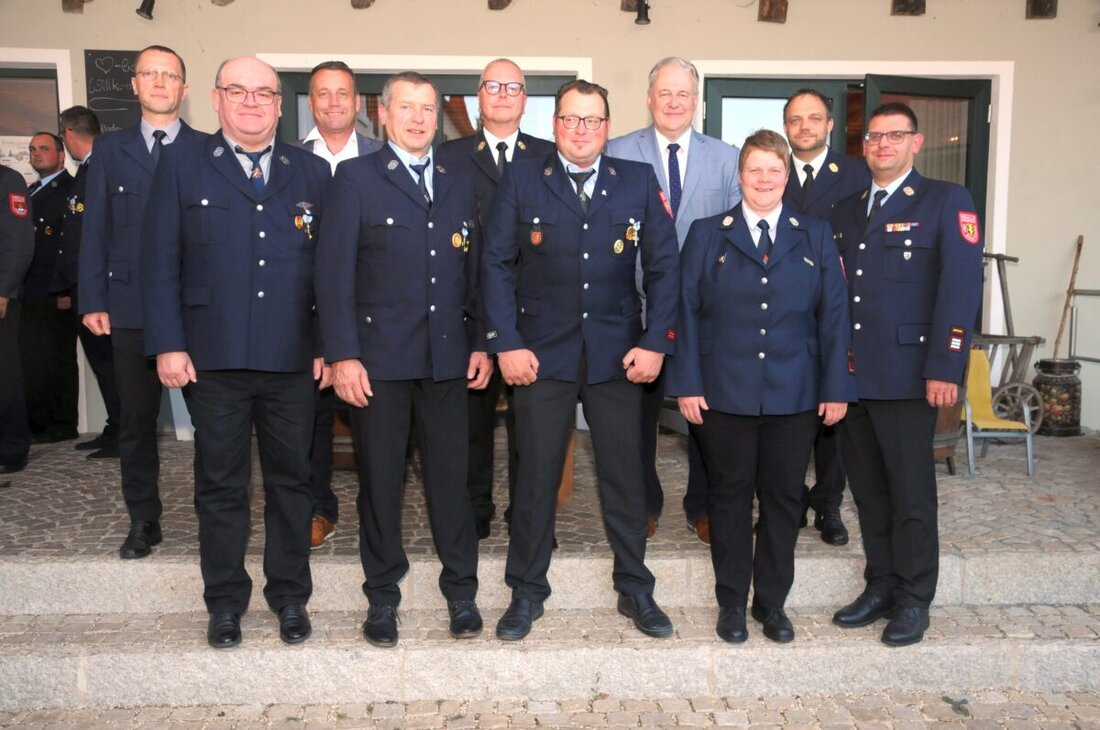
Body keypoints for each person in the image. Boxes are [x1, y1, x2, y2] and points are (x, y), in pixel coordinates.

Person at [142, 56, 331, 649]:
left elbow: (330, 271)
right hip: (212, 357)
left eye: (263, 94)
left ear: (280, 104)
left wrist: (329, 345)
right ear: (218, 100)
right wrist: (168, 343)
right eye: (238, 91)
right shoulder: (179, 164)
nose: (251, 103)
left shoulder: (311, 172)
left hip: (292, 358)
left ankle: (290, 597)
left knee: (291, 482)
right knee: (220, 485)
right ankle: (225, 602)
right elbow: (157, 263)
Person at [482, 80, 680, 641]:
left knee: (624, 476)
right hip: (539, 355)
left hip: (620, 356)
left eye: (593, 121)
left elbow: (665, 266)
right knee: (536, 476)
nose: (581, 131)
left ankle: (636, 588)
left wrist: (656, 342)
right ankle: (525, 591)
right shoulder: (523, 178)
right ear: (555, 125)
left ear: (607, 127)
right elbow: (495, 263)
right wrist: (506, 343)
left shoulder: (637, 181)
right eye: (571, 120)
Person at [315, 71, 489, 648]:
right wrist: (343, 355)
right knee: (381, 484)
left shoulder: (460, 179)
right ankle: (382, 597)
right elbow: (332, 275)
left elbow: (476, 271)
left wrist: (483, 342)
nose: (418, 118)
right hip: (380, 365)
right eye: (406, 108)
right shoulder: (355, 179)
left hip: (447, 362)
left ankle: (461, 592)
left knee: (451, 483)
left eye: (428, 109)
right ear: (382, 115)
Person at [668, 129, 854, 644]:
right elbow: (683, 310)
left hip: (796, 393)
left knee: (783, 500)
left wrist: (836, 388)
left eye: (775, 169)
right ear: (740, 176)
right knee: (728, 498)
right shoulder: (708, 233)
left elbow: (834, 317)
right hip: (723, 392)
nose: (765, 179)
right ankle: (731, 602)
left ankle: (771, 604)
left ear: (786, 175)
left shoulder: (814, 234)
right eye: (755, 170)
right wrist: (686, 382)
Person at [830, 102, 983, 647]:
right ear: (863, 146)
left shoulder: (946, 201)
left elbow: (962, 290)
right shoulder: (845, 211)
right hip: (854, 376)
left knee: (911, 493)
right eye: (874, 137)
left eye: (895, 136)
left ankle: (916, 598)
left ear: (916, 143)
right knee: (868, 492)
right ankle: (881, 585)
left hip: (911, 374)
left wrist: (947, 364)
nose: (883, 145)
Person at [606, 57, 741, 543]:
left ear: (696, 100)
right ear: (648, 98)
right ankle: (643, 502)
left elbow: (732, 240)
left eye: (683, 93)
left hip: (705, 314)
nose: (674, 102)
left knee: (705, 415)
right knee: (634, 418)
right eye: (664, 93)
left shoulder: (727, 159)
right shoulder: (617, 151)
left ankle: (703, 504)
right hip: (634, 309)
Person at [80, 45, 202, 559]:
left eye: (169, 75)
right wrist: (92, 297)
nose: (158, 82)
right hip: (128, 308)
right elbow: (95, 230)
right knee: (136, 424)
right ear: (133, 85)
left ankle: (214, 517)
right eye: (149, 73)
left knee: (214, 425)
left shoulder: (207, 149)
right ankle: (143, 520)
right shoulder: (109, 151)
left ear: (184, 89)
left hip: (196, 309)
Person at [437, 58, 555, 540]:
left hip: (537, 313)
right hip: (467, 309)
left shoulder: (550, 154)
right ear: (478, 97)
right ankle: (475, 512)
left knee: (533, 428)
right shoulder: (448, 155)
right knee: (470, 424)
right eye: (492, 85)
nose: (503, 93)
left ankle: (527, 517)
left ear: (525, 99)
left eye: (513, 87)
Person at [298, 60, 383, 550]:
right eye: (323, 93)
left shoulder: (381, 156)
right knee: (309, 421)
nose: (333, 102)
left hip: (370, 313)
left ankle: (377, 512)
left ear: (358, 103)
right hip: (304, 313)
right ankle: (316, 508)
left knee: (374, 419)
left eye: (343, 93)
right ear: (311, 103)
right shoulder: (288, 159)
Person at [781, 88, 871, 546]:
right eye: (796, 120)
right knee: (789, 413)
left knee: (836, 414)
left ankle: (830, 505)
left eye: (814, 118)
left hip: (838, 311)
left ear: (830, 125)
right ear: (785, 126)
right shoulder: (772, 171)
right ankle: (789, 500)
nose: (805, 127)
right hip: (782, 316)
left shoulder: (857, 173)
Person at [57, 105, 120, 460]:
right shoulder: (86, 170)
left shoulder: (104, 167)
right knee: (102, 365)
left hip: (102, 287)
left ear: (67, 135)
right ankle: (116, 424)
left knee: (110, 364)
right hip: (84, 284)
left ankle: (123, 431)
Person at [21, 132, 77, 445]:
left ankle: (61, 422)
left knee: (57, 357)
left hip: (55, 290)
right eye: (32, 149)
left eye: (44, 148)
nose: (36, 154)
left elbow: (67, 245)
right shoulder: (31, 190)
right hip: (30, 289)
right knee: (35, 357)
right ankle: (39, 421)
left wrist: (66, 289)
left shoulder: (69, 190)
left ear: (60, 154)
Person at [0, 164, 35, 476]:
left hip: (1, 297)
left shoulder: (7, 180)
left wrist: (5, 290)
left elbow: (20, 242)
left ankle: (11, 448)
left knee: (4, 375)